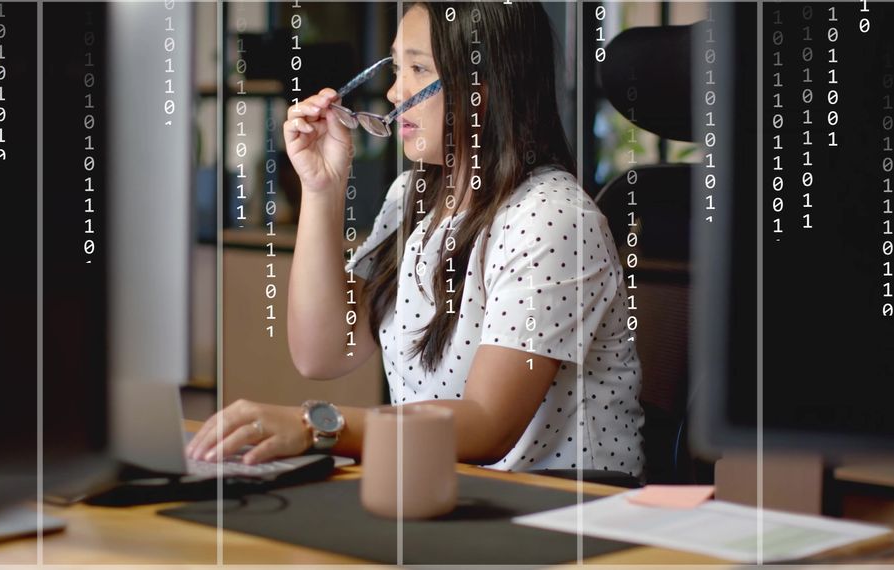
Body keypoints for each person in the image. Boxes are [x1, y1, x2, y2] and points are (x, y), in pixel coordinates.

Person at [188, 1, 644, 476]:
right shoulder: (412, 194)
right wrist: (321, 190)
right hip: (445, 492)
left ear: (483, 87)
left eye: (418, 68)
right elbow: (321, 352)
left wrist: (315, 426)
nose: (392, 92)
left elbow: (489, 424)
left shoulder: (552, 217)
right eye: (396, 66)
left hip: (564, 510)